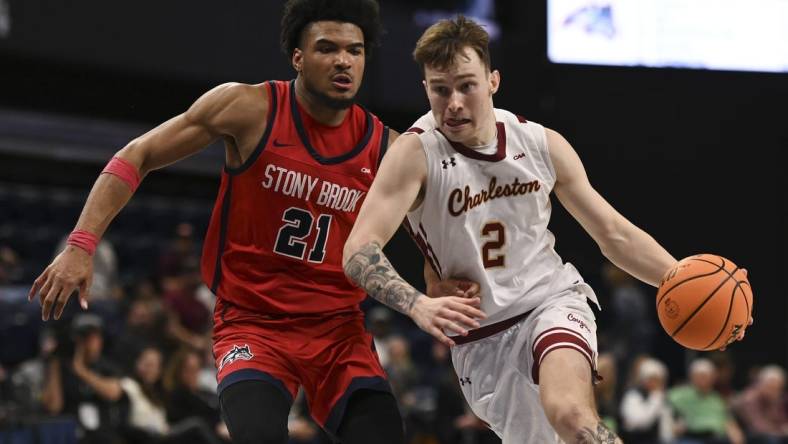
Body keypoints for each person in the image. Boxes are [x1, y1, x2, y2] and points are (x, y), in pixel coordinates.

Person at [27, 1, 481, 442]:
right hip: (252, 322)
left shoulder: (387, 147)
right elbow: (137, 155)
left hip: (337, 330)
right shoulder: (248, 109)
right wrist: (81, 243)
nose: (343, 61)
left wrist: (434, 275)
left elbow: (433, 225)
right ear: (298, 58)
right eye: (327, 48)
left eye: (355, 50)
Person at [342, 15, 750, 443]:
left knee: (571, 414)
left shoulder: (538, 143)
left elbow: (613, 233)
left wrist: (684, 284)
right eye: (440, 89)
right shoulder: (415, 154)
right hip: (484, 339)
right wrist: (419, 304)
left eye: (467, 85)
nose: (454, 103)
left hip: (550, 300)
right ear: (426, 88)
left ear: (493, 80)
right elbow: (357, 250)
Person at [668, 358, 745, 444]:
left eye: (705, 376)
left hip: (716, 438)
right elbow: (665, 404)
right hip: (690, 437)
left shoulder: (717, 399)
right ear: (692, 377)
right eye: (699, 376)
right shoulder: (679, 395)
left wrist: (736, 436)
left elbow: (729, 422)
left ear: (713, 377)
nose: (702, 380)